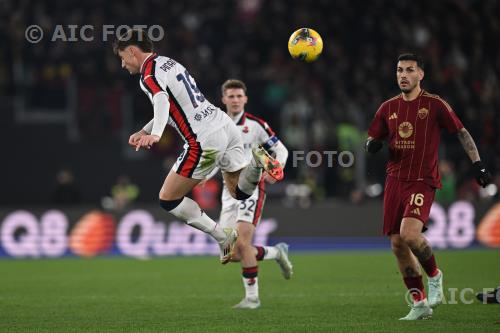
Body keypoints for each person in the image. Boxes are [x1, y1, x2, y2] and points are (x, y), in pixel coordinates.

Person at [112, 29, 284, 263]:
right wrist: (145, 130)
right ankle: (256, 163)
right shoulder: (167, 63)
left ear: (132, 51)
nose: (122, 64)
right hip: (223, 124)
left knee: (168, 199)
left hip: (203, 140)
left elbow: (161, 101)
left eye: (122, 57)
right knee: (239, 191)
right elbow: (175, 105)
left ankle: (222, 238)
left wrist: (156, 135)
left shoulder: (148, 75)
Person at [366, 53, 492, 320]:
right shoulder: (387, 108)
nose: (403, 75)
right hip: (394, 181)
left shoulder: (434, 105)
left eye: (410, 70)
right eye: (399, 70)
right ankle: (419, 303)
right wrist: (372, 145)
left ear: (421, 74)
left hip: (422, 180)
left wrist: (478, 164)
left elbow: (461, 132)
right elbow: (373, 138)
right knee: (398, 245)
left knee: (410, 235)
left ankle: (434, 276)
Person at [215, 79, 293, 309]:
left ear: (245, 99)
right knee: (231, 254)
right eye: (231, 96)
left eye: (239, 96)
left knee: (243, 242)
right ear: (224, 99)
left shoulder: (257, 125)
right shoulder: (216, 126)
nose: (236, 100)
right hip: (228, 190)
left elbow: (281, 149)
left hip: (252, 189)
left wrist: (275, 168)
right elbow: (211, 156)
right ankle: (275, 252)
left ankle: (252, 298)